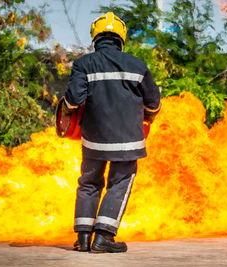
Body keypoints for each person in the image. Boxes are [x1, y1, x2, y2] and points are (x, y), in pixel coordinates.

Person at [62, 12, 161, 253]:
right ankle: (103, 236)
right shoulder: (137, 65)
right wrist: (147, 115)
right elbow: (154, 103)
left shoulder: (83, 64)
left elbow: (73, 100)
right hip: (128, 141)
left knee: (89, 183)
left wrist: (65, 109)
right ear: (121, 37)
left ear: (95, 37)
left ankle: (83, 238)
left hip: (93, 140)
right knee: (120, 183)